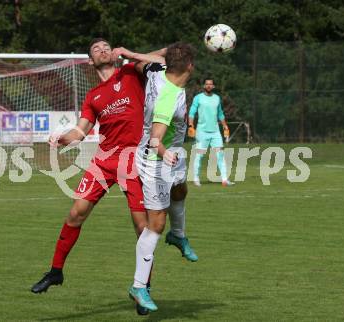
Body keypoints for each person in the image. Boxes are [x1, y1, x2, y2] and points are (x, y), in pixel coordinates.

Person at [30, 38, 166, 298]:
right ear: (90, 61)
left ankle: (143, 287)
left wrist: (129, 53)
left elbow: (164, 57)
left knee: (142, 229)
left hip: (133, 160)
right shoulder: (93, 96)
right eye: (96, 49)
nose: (103, 49)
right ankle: (56, 271)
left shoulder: (131, 72)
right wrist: (60, 138)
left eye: (107, 46)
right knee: (75, 213)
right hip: (104, 161)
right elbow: (79, 132)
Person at [129, 42, 198, 312]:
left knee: (180, 191)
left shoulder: (157, 71)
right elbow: (155, 138)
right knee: (155, 225)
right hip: (155, 160)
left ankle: (178, 236)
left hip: (172, 155)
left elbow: (140, 64)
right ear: (190, 67)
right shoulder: (168, 97)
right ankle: (138, 285)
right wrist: (164, 152)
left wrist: (134, 54)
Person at [188, 78, 234, 186]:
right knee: (200, 155)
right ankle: (196, 178)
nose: (209, 86)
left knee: (220, 155)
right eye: (207, 84)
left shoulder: (217, 98)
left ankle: (224, 179)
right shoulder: (198, 98)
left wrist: (225, 126)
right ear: (204, 86)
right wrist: (191, 125)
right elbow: (191, 112)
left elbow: (220, 114)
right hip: (202, 132)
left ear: (213, 86)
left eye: (211, 84)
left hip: (215, 132)